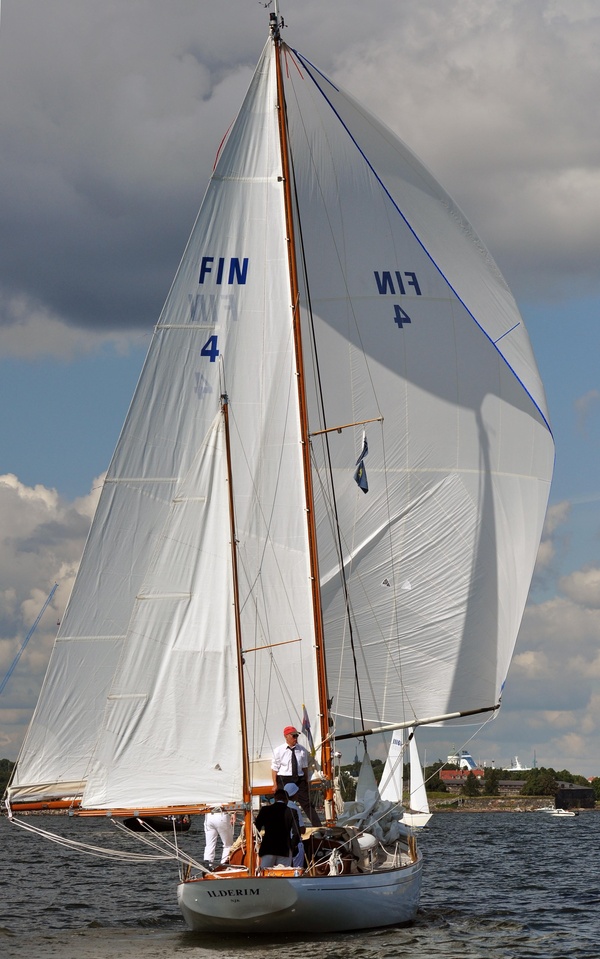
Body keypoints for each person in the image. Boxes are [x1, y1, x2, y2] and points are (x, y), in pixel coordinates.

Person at [271, 724, 321, 826]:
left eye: (296, 736)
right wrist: (275, 784)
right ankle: (279, 825)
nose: (295, 738)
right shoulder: (278, 751)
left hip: (299, 778)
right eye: (293, 736)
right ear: (286, 736)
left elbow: (304, 767)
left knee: (306, 803)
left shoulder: (302, 750)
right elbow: (274, 768)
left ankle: (318, 825)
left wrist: (306, 780)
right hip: (284, 778)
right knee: (282, 802)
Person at [254, 789, 301, 869]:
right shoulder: (292, 812)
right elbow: (296, 833)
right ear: (287, 800)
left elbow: (256, 829)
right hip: (285, 849)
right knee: (284, 874)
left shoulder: (265, 810)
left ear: (275, 798)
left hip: (268, 848)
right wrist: (292, 846)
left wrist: (258, 842)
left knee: (265, 873)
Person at [284, 782, 305, 868]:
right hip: (294, 845)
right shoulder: (295, 808)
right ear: (294, 794)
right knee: (297, 870)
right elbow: (302, 830)